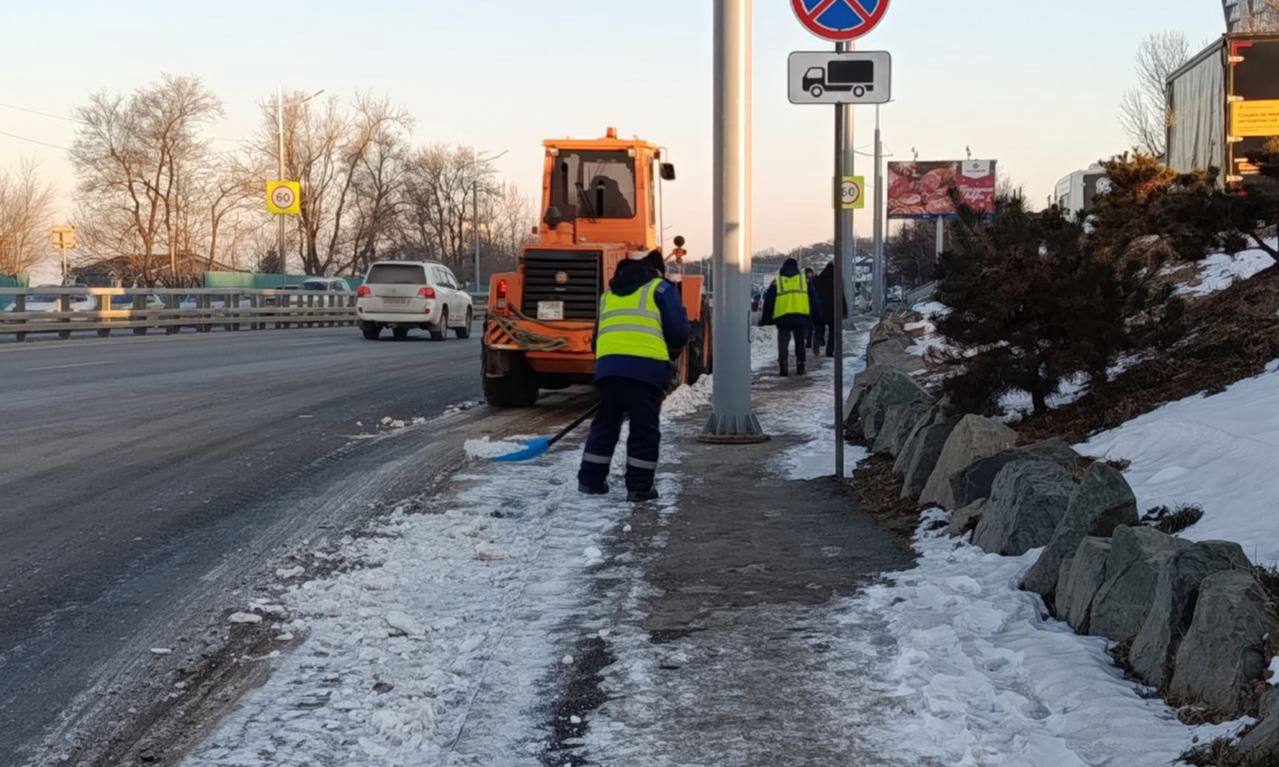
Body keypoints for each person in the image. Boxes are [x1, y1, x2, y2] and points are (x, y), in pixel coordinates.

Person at [578, 249, 690, 502]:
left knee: (605, 425)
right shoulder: (661, 289)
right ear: (656, 271)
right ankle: (639, 488)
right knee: (643, 429)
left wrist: (609, 365)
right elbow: (679, 332)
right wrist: (669, 355)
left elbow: (597, 339)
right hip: (646, 371)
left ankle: (590, 481)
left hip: (609, 370)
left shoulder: (608, 296)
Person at [760, 257, 821, 377]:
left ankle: (783, 366)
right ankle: (800, 365)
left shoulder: (777, 282)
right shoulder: (804, 281)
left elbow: (768, 301)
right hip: (801, 317)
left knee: (783, 342)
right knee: (800, 342)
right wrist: (817, 316)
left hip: (783, 318)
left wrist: (766, 319)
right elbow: (814, 300)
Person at [813, 262, 844, 358]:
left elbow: (813, 295)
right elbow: (841, 296)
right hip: (833, 310)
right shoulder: (837, 281)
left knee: (820, 327)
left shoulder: (817, 280)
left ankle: (817, 338)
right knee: (832, 332)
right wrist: (844, 310)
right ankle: (829, 351)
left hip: (820, 309)